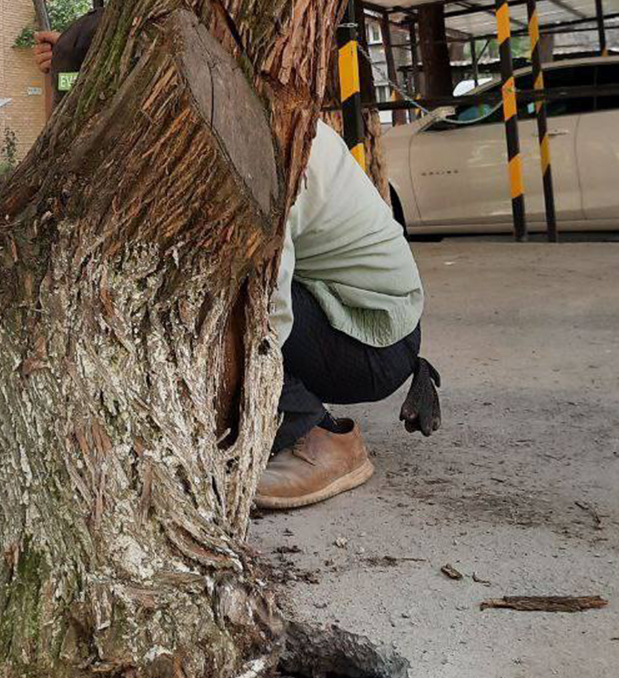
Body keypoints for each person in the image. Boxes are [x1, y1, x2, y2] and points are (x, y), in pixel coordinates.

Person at [33, 17, 441, 510]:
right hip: (342, 312)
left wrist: (255, 394)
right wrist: (72, 59)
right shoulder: (209, 106)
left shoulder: (252, 139)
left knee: (217, 292)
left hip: (375, 337)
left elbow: (269, 300)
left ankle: (316, 440)